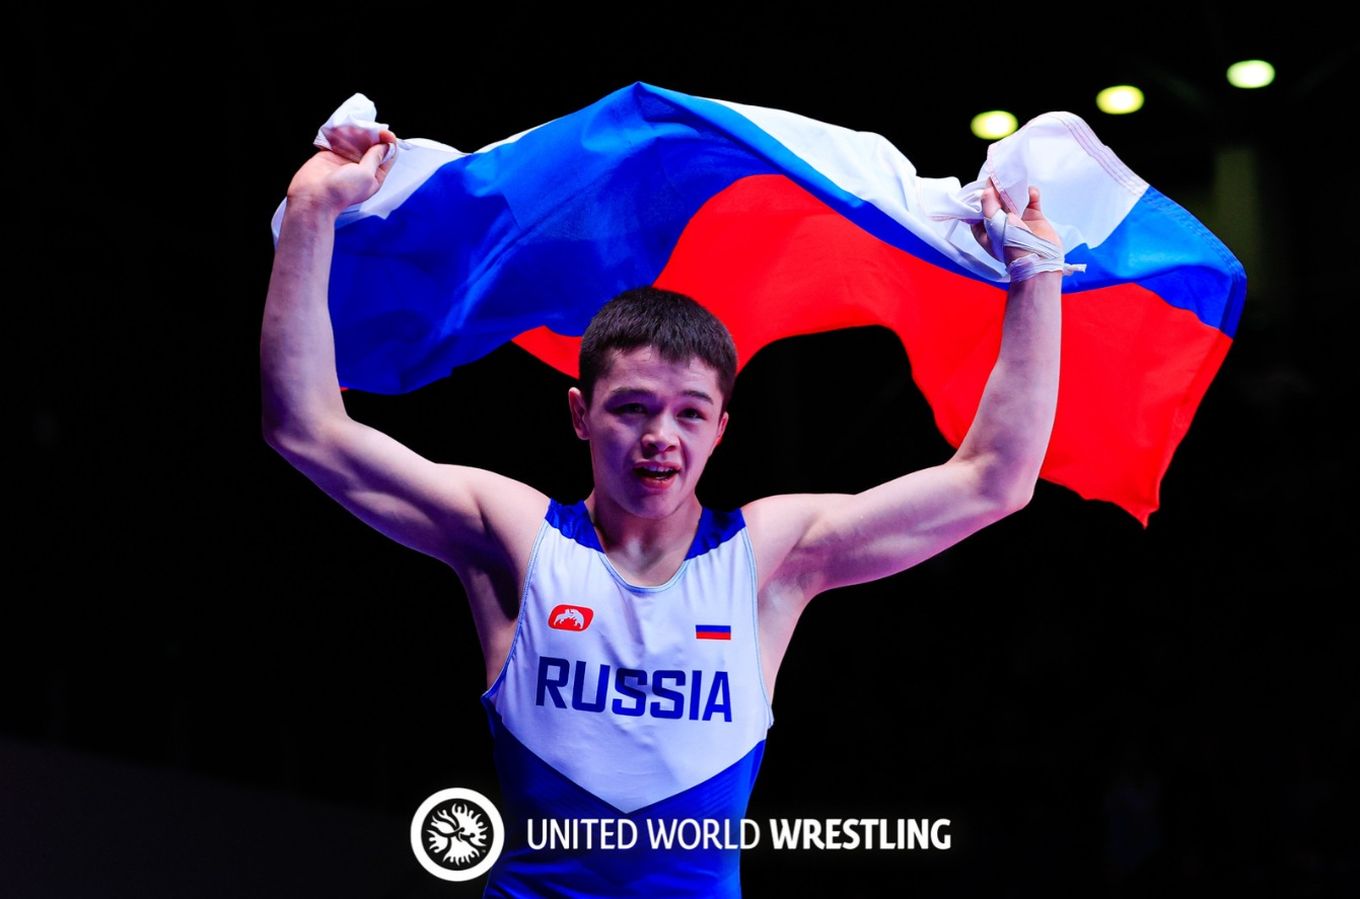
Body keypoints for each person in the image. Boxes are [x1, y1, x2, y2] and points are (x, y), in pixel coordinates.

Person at [261, 128, 1066, 897]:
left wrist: (1036, 276)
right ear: (580, 414)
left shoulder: (769, 558)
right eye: (632, 407)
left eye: (689, 413)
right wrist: (310, 210)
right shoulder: (514, 537)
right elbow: (307, 427)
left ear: (721, 430)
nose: (660, 438)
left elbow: (993, 480)